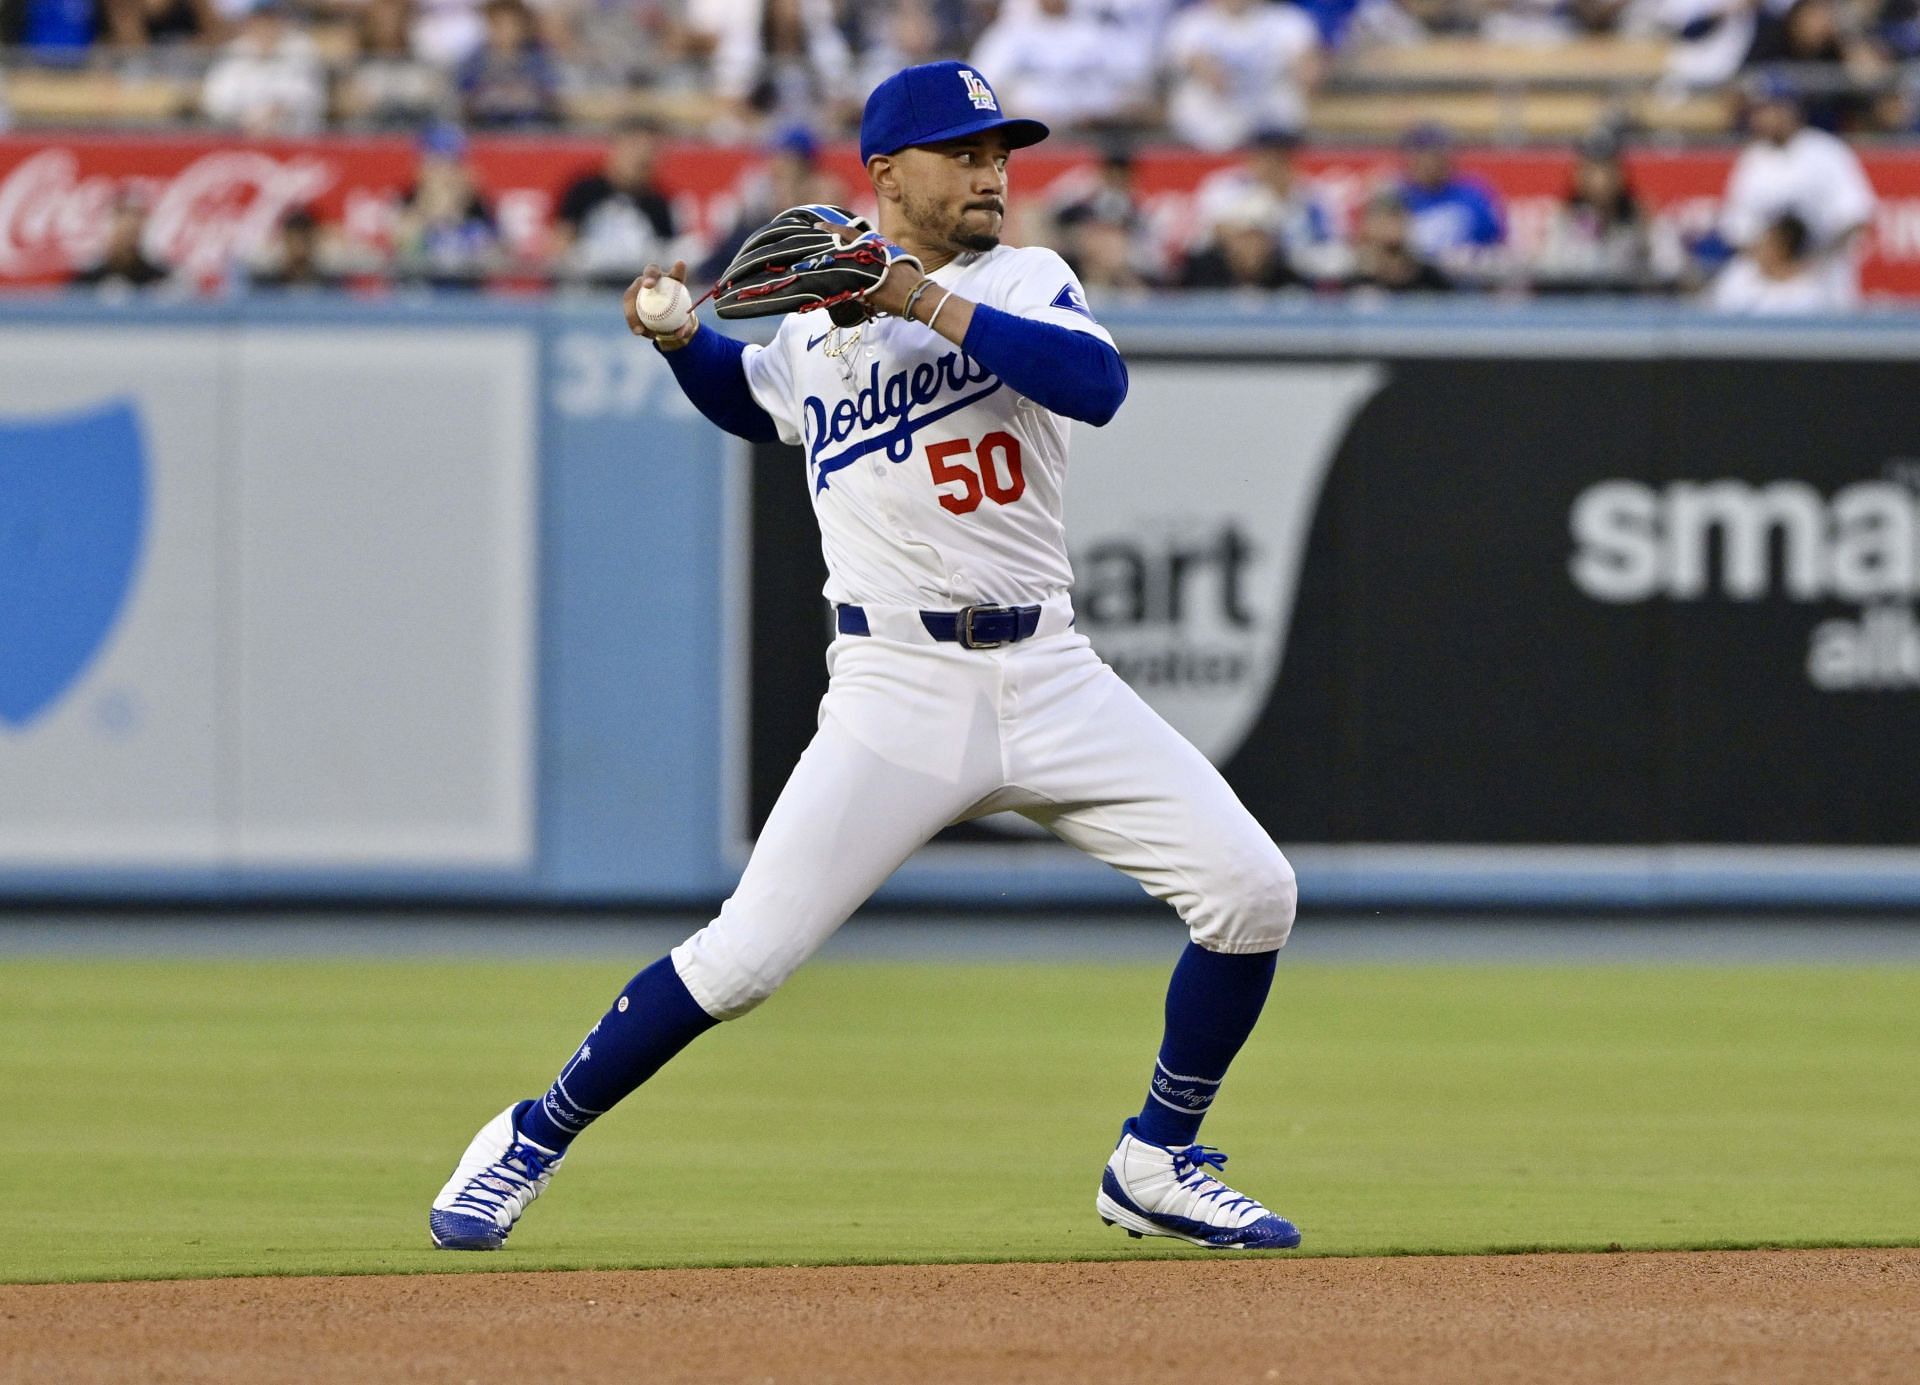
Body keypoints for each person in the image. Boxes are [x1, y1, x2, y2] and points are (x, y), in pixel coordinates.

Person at [428, 59, 1304, 1256]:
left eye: (1003, 151)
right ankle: (526, 1137)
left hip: (1051, 670)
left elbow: (1095, 384)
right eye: (966, 152)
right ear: (889, 174)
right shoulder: (817, 308)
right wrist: (683, 339)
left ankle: (1154, 1157)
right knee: (743, 961)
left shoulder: (1022, 276)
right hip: (900, 685)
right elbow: (761, 399)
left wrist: (911, 294)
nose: (994, 170)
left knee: (1253, 893)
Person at [1719, 74, 1876, 305]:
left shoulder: (1828, 152)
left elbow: (1856, 217)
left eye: (1769, 109)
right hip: (1767, 274)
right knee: (1730, 291)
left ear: (1790, 109)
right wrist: (1772, 264)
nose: (1761, 117)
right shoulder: (1752, 159)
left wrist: (1809, 263)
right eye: (1758, 110)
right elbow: (1736, 227)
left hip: (1822, 274)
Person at [1162, 0, 1323, 152]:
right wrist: (1209, 71)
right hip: (1214, 115)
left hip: (1268, 113)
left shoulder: (1286, 20)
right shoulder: (1192, 22)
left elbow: (1307, 63)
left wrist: (1306, 70)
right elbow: (1192, 60)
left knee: (1289, 102)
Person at [552, 118, 682, 289]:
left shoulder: (659, 202)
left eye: (651, 151)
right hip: (586, 288)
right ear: (617, 147)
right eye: (635, 148)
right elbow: (559, 244)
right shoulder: (584, 190)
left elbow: (669, 254)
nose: (641, 157)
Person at [199, 1, 327, 136]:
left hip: (295, 139)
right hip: (240, 136)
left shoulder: (301, 48)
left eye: (271, 19)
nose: (265, 26)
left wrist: (276, 110)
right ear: (249, 23)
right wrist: (248, 115)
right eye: (259, 20)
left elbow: (310, 95)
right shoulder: (233, 51)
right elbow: (216, 100)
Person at [1394, 123, 1505, 271]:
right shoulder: (1395, 195)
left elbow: (1496, 243)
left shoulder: (1473, 196)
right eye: (1422, 154)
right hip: (1407, 281)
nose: (1430, 162)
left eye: (1436, 154)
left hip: (1465, 281)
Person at [1709, 210, 1849, 310]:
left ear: (1784, 247)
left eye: (1769, 241)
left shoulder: (1809, 295)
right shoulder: (1739, 275)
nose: (1761, 245)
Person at [456, 0, 561, 127]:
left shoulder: (539, 60)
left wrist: (525, 96)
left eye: (511, 25)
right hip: (485, 131)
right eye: (499, 25)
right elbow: (463, 98)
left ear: (522, 27)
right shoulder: (474, 62)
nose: (506, 31)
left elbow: (552, 97)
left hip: (531, 131)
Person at [70, 197, 169, 292]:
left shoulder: (159, 281)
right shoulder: (87, 281)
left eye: (132, 231)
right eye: (123, 231)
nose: (127, 238)